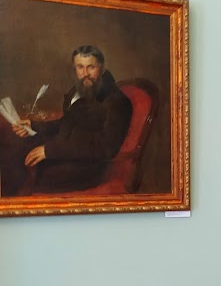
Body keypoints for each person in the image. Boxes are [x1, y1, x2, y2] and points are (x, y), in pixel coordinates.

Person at [0, 45, 132, 195]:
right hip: (65, 153)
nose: (85, 74)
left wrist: (50, 150)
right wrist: (34, 125)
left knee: (24, 171)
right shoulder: (78, 91)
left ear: (102, 68)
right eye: (80, 67)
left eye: (91, 67)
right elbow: (65, 123)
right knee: (12, 150)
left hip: (87, 167)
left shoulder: (116, 101)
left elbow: (105, 146)